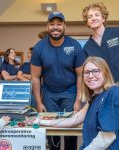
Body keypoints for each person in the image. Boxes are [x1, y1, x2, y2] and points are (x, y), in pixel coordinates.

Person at [38, 56, 119, 150]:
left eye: (96, 71)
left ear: (105, 73)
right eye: (87, 72)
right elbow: (74, 119)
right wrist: (41, 121)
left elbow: (106, 137)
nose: (91, 76)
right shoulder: (94, 98)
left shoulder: (113, 93)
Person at [31, 11, 85, 150]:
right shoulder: (39, 47)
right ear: (47, 26)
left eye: (59, 24)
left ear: (64, 26)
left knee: (70, 133)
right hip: (49, 94)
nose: (55, 27)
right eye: (52, 24)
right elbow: (35, 77)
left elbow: (81, 75)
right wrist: (38, 102)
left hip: (70, 93)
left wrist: (78, 99)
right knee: (51, 132)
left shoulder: (75, 46)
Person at [82, 2, 119, 83]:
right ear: (87, 22)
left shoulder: (117, 33)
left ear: (103, 18)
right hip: (106, 88)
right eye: (90, 17)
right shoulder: (87, 48)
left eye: (97, 15)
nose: (93, 18)